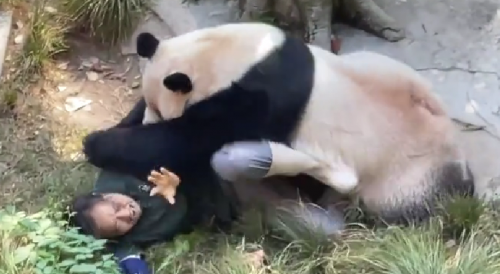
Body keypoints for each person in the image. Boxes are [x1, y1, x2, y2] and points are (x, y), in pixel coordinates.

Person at [69, 100, 345, 274]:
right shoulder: (125, 240)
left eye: (115, 207)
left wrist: (178, 173)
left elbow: (145, 119)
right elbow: (134, 267)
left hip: (218, 157)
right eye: (118, 225)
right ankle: (340, 191)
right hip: (230, 195)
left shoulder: (116, 169)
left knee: (242, 156)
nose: (125, 214)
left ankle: (328, 158)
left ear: (102, 194)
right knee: (328, 231)